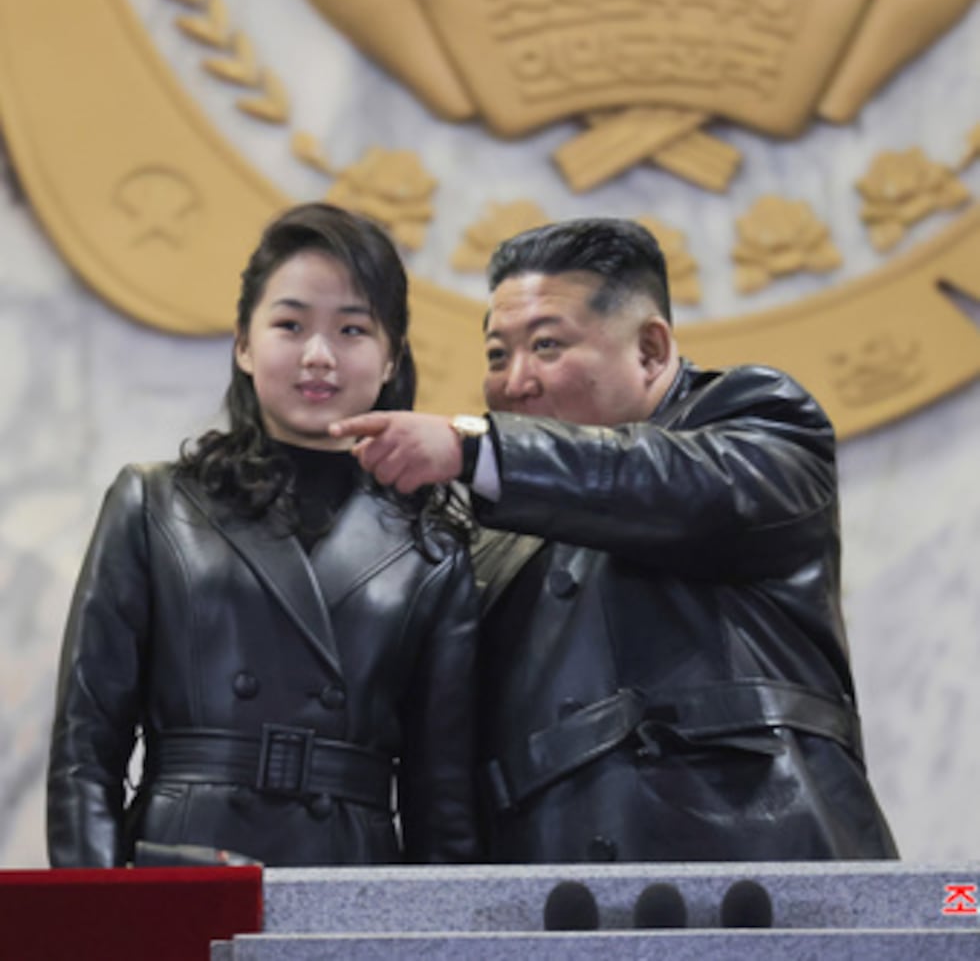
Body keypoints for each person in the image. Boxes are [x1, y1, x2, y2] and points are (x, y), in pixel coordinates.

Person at [331, 217, 898, 863]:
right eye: (497, 354)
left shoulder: (757, 420)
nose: (515, 381)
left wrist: (476, 448)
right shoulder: (490, 530)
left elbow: (672, 485)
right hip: (553, 900)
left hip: (761, 870)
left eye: (546, 346)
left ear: (652, 350)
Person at [47, 202, 480, 868]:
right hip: (184, 862)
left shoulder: (434, 547)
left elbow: (440, 797)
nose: (318, 355)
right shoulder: (157, 502)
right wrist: (96, 920)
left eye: (352, 329)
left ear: (392, 356)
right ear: (245, 345)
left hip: (348, 877)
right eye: (290, 324)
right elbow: (85, 751)